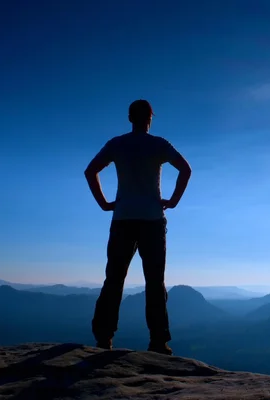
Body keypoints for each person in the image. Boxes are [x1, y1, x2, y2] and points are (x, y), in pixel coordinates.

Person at [84, 99, 191, 354]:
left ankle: (103, 338)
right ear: (150, 119)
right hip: (153, 221)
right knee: (155, 282)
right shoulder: (158, 145)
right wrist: (174, 201)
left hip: (122, 219)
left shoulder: (117, 144)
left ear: (130, 118)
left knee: (114, 279)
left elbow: (91, 171)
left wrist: (103, 203)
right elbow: (185, 169)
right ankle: (158, 341)